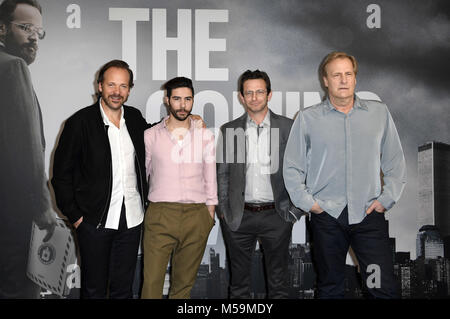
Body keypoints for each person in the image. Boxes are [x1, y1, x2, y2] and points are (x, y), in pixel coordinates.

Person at [283, 51, 407, 299]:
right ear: (325, 80)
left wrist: (386, 199)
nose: (343, 80)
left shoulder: (378, 113)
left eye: (348, 74)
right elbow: (292, 167)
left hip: (368, 216)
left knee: (382, 288)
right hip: (327, 218)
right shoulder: (308, 119)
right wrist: (311, 205)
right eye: (336, 75)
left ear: (355, 78)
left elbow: (394, 160)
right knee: (330, 288)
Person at [51, 60, 149, 299]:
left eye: (123, 86)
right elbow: (61, 176)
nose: (117, 92)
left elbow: (157, 136)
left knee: (123, 291)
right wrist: (76, 217)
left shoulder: (135, 119)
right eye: (111, 85)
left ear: (129, 89)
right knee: (93, 291)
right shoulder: (79, 123)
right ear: (100, 86)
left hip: (132, 220)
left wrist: (187, 120)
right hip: (93, 223)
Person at [216, 70, 304, 299]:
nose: (254, 97)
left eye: (260, 92)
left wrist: (295, 212)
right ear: (241, 97)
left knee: (279, 286)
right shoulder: (230, 129)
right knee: (238, 286)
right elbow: (223, 173)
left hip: (277, 215)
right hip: (239, 216)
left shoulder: (287, 127)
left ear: (269, 94)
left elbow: (304, 170)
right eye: (249, 93)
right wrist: (224, 212)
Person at [141, 77, 217, 299]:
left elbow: (210, 176)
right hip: (160, 214)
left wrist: (209, 215)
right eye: (177, 99)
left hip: (197, 215)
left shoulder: (205, 136)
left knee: (183, 288)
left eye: (187, 99)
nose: (183, 105)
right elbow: (144, 173)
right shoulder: (151, 135)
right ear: (167, 100)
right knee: (151, 285)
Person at [0, 0, 56, 299]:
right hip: (14, 223)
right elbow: (27, 151)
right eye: (25, 28)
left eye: (38, 31)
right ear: (1, 28)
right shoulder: (13, 67)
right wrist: (44, 210)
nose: (34, 36)